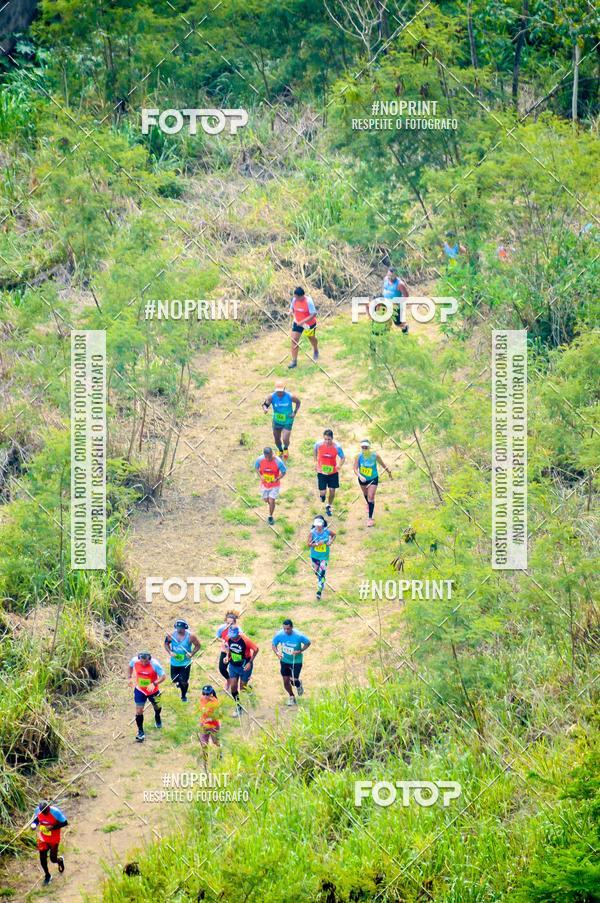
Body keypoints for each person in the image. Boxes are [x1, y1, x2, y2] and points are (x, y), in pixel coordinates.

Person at [128, 651, 166, 742]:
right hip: (140, 690)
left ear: (150, 659)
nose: (144, 663)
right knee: (139, 711)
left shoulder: (155, 664)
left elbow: (163, 677)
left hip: (153, 690)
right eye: (142, 661)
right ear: (139, 659)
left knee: (157, 707)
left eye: (146, 662)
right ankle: (140, 732)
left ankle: (157, 716)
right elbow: (130, 666)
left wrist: (154, 683)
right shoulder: (135, 660)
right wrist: (129, 677)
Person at [272, 619, 311, 706]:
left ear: (292, 627)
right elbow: (274, 644)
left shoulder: (299, 635)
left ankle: (298, 684)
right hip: (285, 661)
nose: (286, 631)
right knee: (286, 681)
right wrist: (277, 653)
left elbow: (308, 643)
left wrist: (300, 651)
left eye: (288, 629)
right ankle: (291, 696)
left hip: (296, 661)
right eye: (284, 628)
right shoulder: (280, 634)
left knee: (293, 681)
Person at [353, 439, 392, 526]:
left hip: (373, 478)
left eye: (366, 447)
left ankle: (370, 518)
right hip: (362, 479)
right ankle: (368, 504)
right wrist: (360, 476)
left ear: (369, 448)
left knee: (371, 497)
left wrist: (389, 472)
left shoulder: (375, 456)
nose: (364, 449)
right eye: (363, 447)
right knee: (366, 495)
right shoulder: (358, 457)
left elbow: (383, 464)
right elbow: (355, 468)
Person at [31, 800, 67, 886]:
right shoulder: (38, 810)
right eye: (43, 812)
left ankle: (59, 860)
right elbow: (37, 819)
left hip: (54, 838)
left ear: (49, 807)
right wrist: (34, 825)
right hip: (43, 837)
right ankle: (47, 875)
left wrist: (53, 827)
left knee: (53, 859)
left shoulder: (56, 812)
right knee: (42, 857)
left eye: (46, 811)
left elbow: (65, 822)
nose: (45, 814)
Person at [225, 625, 259, 717]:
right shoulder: (228, 637)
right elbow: (228, 647)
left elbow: (256, 649)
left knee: (243, 688)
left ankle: (249, 690)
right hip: (233, 665)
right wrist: (227, 656)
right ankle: (238, 706)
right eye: (231, 635)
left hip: (244, 666)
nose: (233, 637)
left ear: (238, 633)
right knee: (233, 687)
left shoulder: (246, 640)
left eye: (234, 635)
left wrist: (250, 662)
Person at [262, 381, 301, 460]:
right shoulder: (271, 397)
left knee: (285, 438)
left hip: (287, 421)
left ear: (284, 389)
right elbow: (265, 404)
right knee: (276, 438)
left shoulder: (290, 396)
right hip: (277, 421)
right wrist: (265, 409)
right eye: (278, 391)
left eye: (281, 391)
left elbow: (298, 402)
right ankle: (280, 450)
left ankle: (285, 448)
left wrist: (294, 412)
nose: (279, 393)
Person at [164, 620, 200, 703]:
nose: (179, 630)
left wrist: (192, 653)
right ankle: (178, 682)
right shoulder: (171, 635)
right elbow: (166, 644)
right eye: (177, 628)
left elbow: (198, 646)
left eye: (181, 628)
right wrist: (170, 652)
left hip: (185, 663)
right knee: (174, 679)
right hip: (174, 662)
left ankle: (183, 696)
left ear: (185, 628)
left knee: (184, 681)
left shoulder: (191, 636)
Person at [314, 429, 345, 517]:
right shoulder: (318, 444)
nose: (327, 441)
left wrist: (339, 465)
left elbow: (343, 457)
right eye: (325, 439)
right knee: (323, 492)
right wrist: (315, 462)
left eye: (329, 439)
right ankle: (322, 496)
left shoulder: (337, 447)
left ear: (332, 438)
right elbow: (315, 451)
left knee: (332, 491)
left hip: (333, 472)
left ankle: (329, 506)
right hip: (321, 471)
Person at [255, 445, 287, 525]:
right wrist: (261, 476)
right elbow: (256, 468)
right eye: (267, 457)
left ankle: (270, 516)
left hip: (274, 484)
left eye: (270, 457)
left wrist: (277, 478)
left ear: (272, 453)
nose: (268, 459)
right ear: (264, 455)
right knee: (266, 500)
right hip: (265, 484)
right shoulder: (260, 459)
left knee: (271, 500)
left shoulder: (278, 461)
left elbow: (284, 472)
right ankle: (271, 504)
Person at [289, 286, 318, 368]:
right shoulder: (294, 299)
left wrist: (303, 321)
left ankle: (315, 350)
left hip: (308, 324)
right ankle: (294, 361)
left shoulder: (309, 301)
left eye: (297, 297)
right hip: (297, 322)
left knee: (311, 337)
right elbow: (291, 308)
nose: (295, 298)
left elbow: (313, 314)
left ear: (302, 296)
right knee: (294, 339)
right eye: (294, 296)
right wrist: (290, 311)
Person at [307, 515, 336, 599]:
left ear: (323, 524)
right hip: (315, 556)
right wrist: (317, 544)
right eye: (316, 525)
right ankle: (321, 579)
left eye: (319, 525)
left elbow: (334, 535)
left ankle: (319, 590)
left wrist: (330, 541)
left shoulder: (327, 532)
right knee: (316, 572)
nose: (318, 527)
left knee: (321, 573)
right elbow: (308, 544)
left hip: (324, 557)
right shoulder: (312, 533)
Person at [216, 610, 240, 689]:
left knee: (237, 668)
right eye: (227, 623)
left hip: (235, 651)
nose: (229, 625)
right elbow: (218, 637)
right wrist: (222, 640)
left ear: (235, 623)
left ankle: (242, 680)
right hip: (225, 650)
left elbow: (242, 639)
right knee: (222, 668)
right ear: (225, 621)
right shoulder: (222, 628)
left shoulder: (238, 630)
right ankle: (228, 680)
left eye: (231, 623)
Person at [198, 685, 221, 767]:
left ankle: (220, 753)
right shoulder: (202, 698)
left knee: (216, 742)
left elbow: (218, 715)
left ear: (211, 694)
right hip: (203, 725)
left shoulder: (215, 703)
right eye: (203, 694)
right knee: (204, 744)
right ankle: (205, 761)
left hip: (213, 726)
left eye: (207, 694)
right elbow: (201, 709)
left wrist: (210, 719)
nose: (205, 696)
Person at [382, 267, 409, 333]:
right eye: (388, 275)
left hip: (396, 306)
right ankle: (386, 335)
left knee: (397, 323)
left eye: (391, 276)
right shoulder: (385, 279)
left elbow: (406, 296)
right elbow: (384, 289)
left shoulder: (400, 284)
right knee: (385, 320)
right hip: (385, 304)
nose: (389, 277)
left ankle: (405, 327)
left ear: (396, 275)